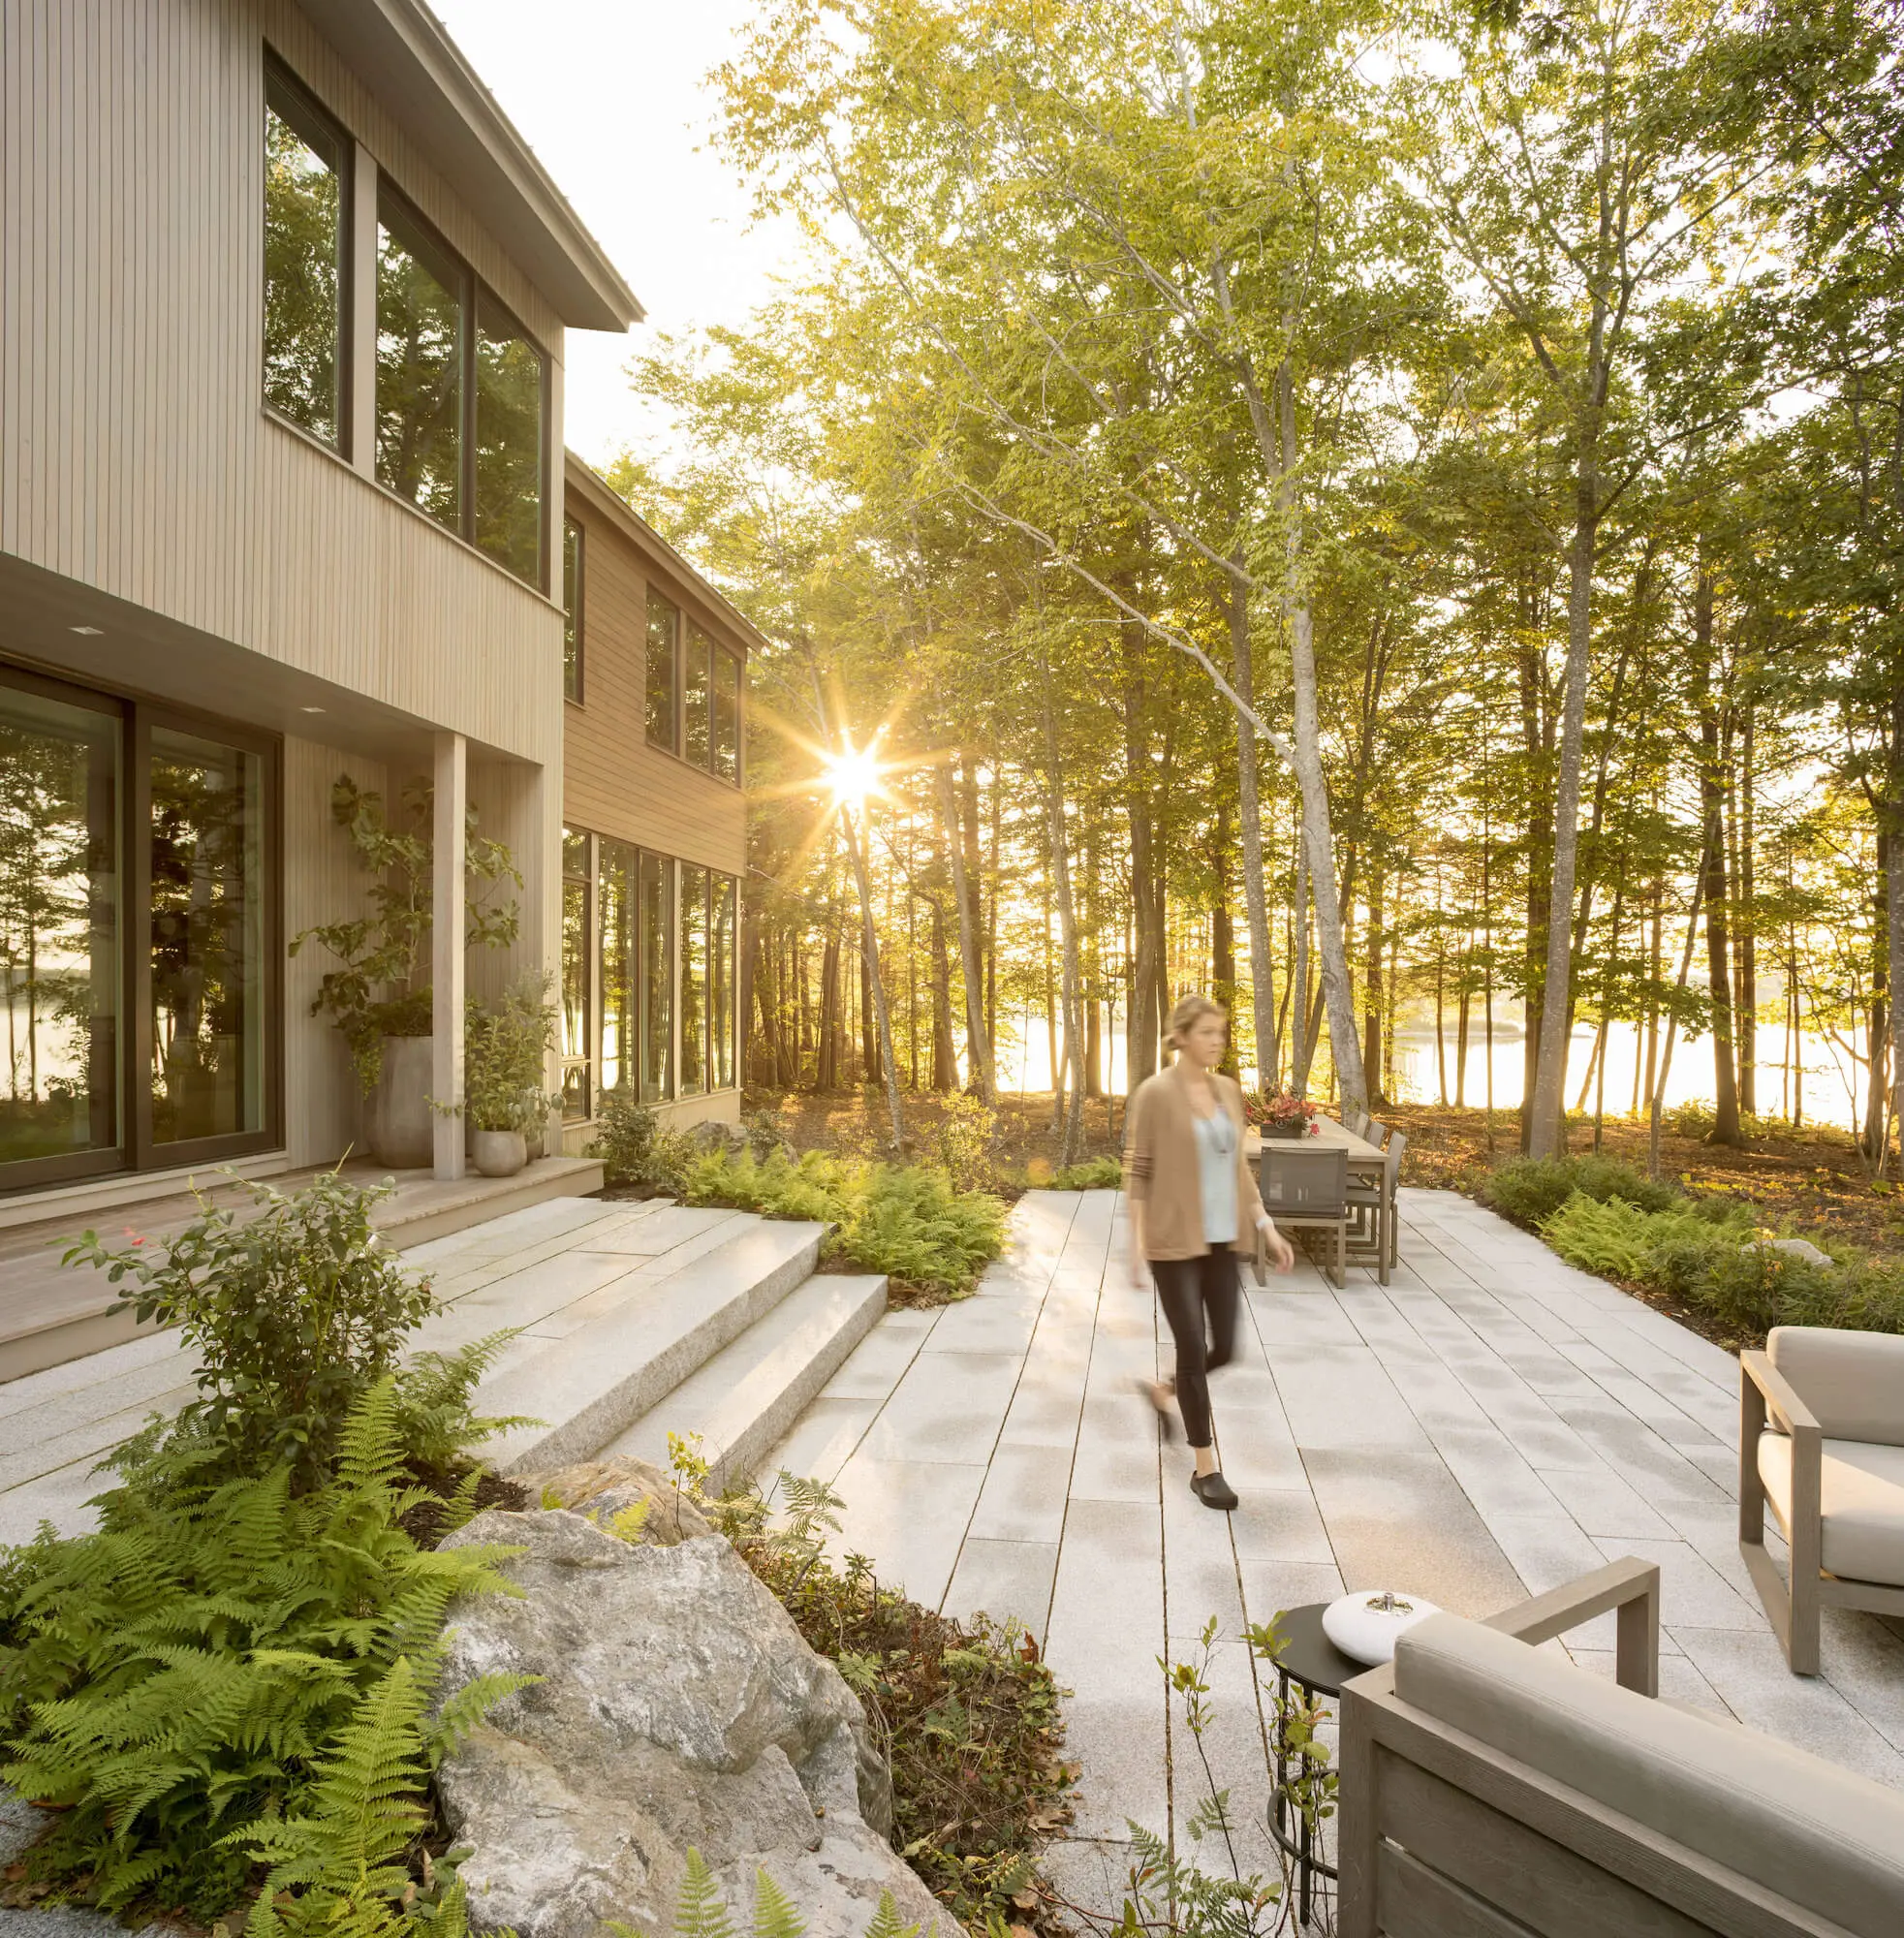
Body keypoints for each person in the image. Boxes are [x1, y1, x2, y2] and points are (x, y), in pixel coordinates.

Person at [1124, 993, 1295, 1510]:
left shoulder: (1227, 1090)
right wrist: (1135, 1246)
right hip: (1172, 1241)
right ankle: (1206, 1468)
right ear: (1180, 1037)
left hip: (1223, 1239)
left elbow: (1238, 1167)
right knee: (1193, 1349)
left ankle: (1162, 1391)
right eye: (1206, 1033)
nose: (1216, 1041)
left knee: (1225, 1349)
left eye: (1220, 1032)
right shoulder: (1155, 1093)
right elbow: (1139, 1170)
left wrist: (1266, 1227)